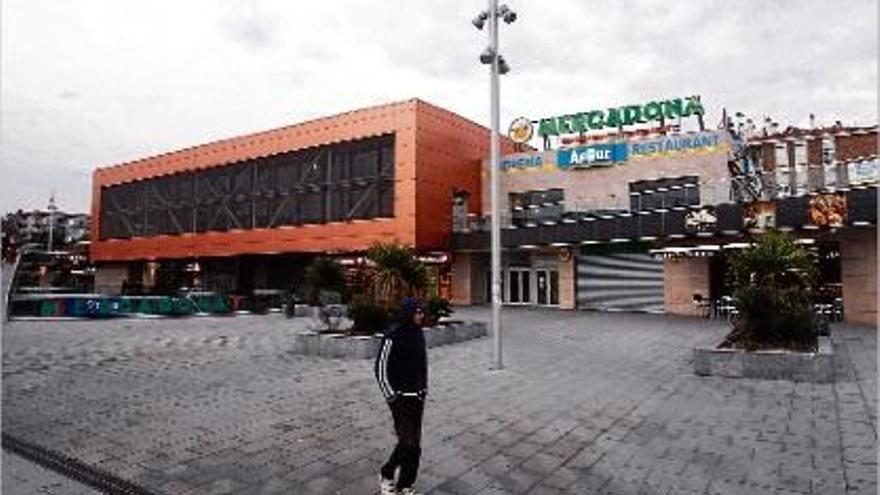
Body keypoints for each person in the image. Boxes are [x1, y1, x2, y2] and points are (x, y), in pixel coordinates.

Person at [374, 297, 428, 495]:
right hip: (400, 399)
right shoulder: (392, 335)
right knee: (408, 442)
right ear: (408, 313)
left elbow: (422, 366)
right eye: (417, 312)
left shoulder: (418, 333)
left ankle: (405, 484)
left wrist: (423, 389)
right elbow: (380, 368)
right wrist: (391, 396)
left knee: (414, 446)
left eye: (422, 312)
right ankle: (387, 474)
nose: (421, 316)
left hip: (417, 398)